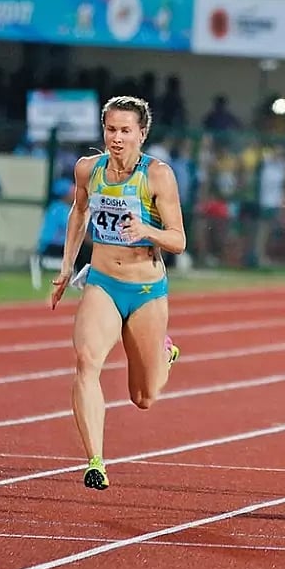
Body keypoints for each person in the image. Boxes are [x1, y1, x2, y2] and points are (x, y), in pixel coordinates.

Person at [49, 96, 186, 491]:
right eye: (111, 129)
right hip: (103, 283)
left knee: (143, 397)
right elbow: (79, 213)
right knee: (86, 361)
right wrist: (66, 268)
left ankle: (165, 353)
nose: (117, 138)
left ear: (142, 134)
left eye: (126, 131)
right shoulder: (87, 170)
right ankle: (96, 460)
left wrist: (148, 231)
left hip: (145, 290)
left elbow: (179, 239)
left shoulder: (158, 176)